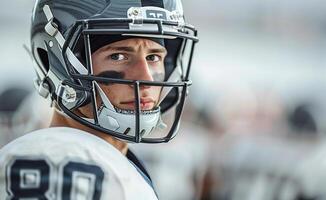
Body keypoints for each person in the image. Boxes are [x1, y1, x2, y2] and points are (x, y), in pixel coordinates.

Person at [0, 0, 198, 199]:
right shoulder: (57, 161)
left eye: (153, 57)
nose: (146, 79)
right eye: (118, 56)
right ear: (59, 63)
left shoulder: (111, 158)